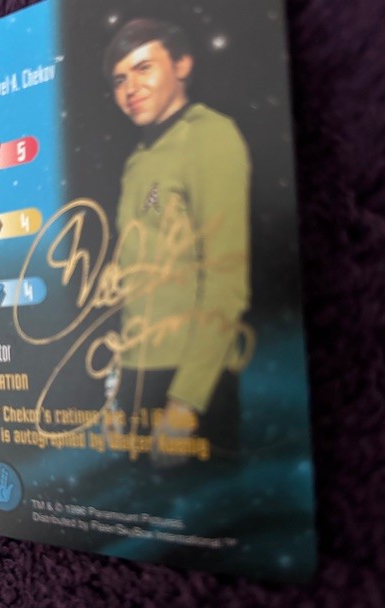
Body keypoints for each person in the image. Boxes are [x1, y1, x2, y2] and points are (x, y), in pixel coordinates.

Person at [103, 18, 251, 460]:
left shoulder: (210, 136)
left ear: (182, 65)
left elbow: (226, 279)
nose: (131, 88)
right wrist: (115, 389)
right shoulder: (139, 157)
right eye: (119, 79)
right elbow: (133, 282)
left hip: (192, 378)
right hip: (138, 373)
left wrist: (185, 405)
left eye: (143, 68)